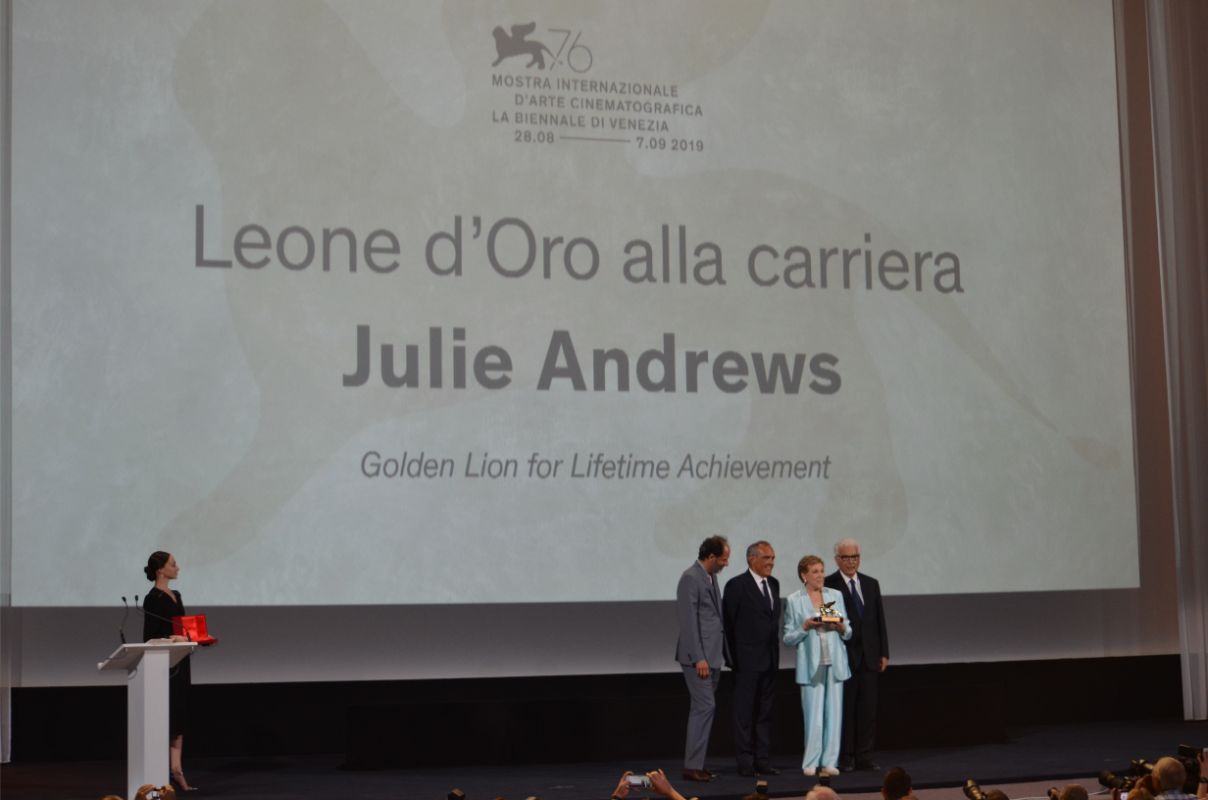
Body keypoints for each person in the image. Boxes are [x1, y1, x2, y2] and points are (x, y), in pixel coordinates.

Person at [824, 537, 889, 771]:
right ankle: (846, 756)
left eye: (855, 557)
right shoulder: (827, 584)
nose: (852, 562)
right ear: (837, 560)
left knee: (867, 709)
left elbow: (879, 621)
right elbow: (829, 623)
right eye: (846, 557)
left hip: (871, 658)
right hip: (844, 658)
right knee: (846, 710)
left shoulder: (871, 583)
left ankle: (864, 756)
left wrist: (884, 652)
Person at [783, 555, 850, 776]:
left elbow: (848, 631)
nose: (820, 575)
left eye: (822, 571)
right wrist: (805, 626)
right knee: (813, 715)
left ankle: (831, 761)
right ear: (804, 575)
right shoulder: (795, 600)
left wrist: (841, 627)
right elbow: (788, 637)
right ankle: (810, 761)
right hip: (811, 663)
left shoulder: (834, 595)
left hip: (835, 660)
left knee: (834, 713)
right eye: (815, 572)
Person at [675, 535, 731, 782]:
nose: (726, 563)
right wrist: (699, 658)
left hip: (713, 656)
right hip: (698, 658)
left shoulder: (712, 577)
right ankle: (691, 766)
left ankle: (697, 764)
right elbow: (689, 622)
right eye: (724, 559)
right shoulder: (690, 578)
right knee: (704, 707)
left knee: (705, 708)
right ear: (711, 557)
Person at [723, 540, 781, 777]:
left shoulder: (774, 584)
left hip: (770, 660)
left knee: (764, 713)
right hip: (746, 662)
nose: (771, 563)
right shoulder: (736, 585)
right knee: (744, 714)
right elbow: (728, 625)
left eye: (773, 559)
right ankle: (745, 763)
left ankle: (762, 760)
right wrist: (733, 658)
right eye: (766, 558)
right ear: (751, 559)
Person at [143, 551, 197, 793]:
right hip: (163, 664)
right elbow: (149, 636)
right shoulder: (152, 598)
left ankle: (177, 770)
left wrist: (193, 636)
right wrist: (171, 638)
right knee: (165, 716)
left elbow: (183, 626)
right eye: (173, 564)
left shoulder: (176, 595)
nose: (178, 568)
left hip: (180, 660)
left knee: (180, 715)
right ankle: (161, 772)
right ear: (160, 570)